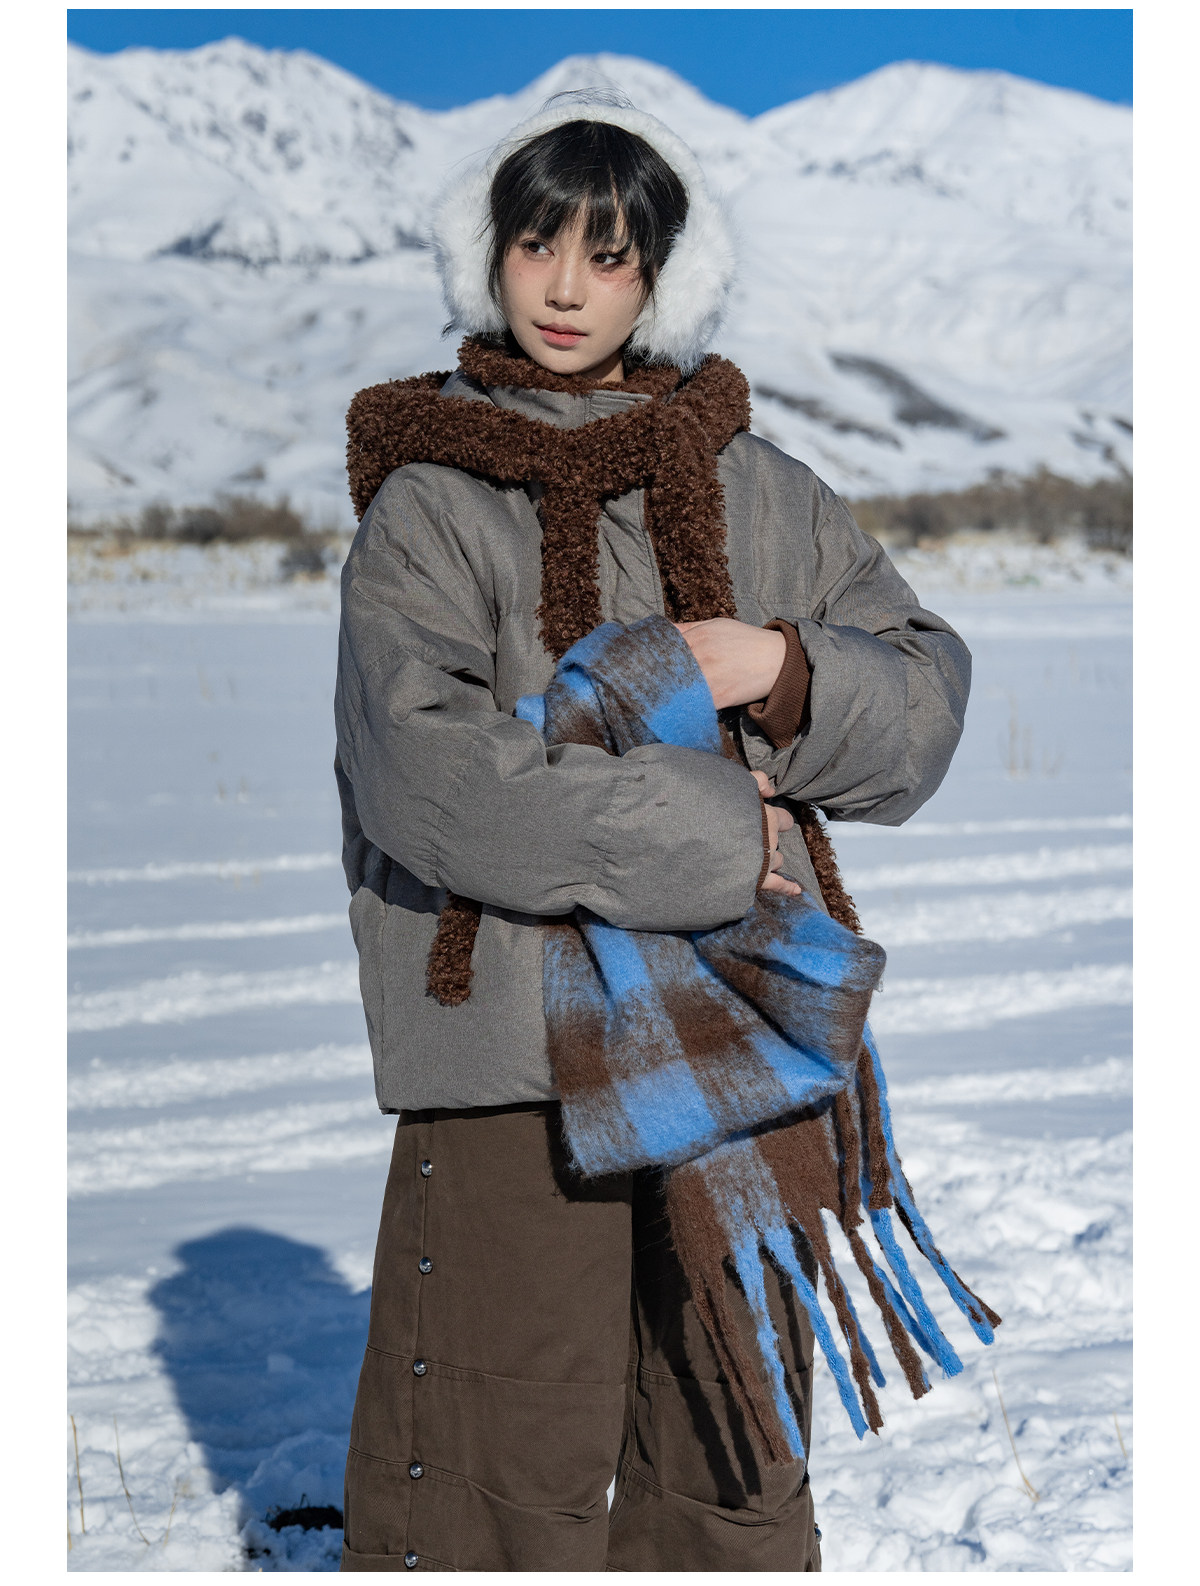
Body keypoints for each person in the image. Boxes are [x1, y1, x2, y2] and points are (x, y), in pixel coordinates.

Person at [333, 91, 971, 1573]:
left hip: (742, 1033)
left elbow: (925, 697)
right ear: (486, 255)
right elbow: (431, 779)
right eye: (537, 243)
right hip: (511, 1041)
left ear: (662, 278)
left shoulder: (762, 490)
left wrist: (777, 665)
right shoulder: (431, 503)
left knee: (724, 1451)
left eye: (609, 255)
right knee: (496, 1469)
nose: (565, 287)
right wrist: (716, 827)